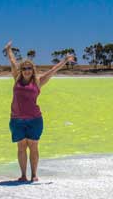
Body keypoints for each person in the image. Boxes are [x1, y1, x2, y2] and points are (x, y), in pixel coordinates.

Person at [5, 40, 75, 182]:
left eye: (29, 68)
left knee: (33, 146)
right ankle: (23, 175)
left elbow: (53, 71)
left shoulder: (38, 81)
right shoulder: (16, 79)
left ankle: (34, 174)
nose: (26, 71)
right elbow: (13, 62)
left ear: (33, 70)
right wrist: (8, 50)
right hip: (16, 119)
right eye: (24, 68)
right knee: (21, 147)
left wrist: (65, 60)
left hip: (35, 120)